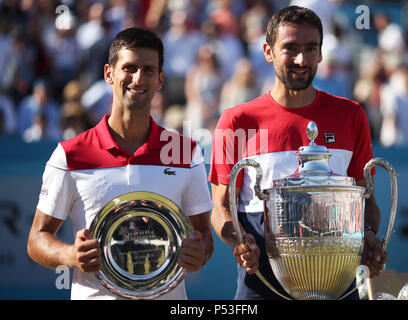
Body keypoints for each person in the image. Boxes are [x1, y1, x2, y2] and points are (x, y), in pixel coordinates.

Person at [208, 5, 387, 300]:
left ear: (320, 52)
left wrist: (368, 235)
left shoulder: (351, 114)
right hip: (261, 285)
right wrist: (239, 241)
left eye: (310, 48)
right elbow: (220, 208)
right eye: (290, 48)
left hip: (338, 285)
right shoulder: (236, 120)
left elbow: (367, 201)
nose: (301, 59)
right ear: (268, 51)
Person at [27, 28, 214, 300]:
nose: (138, 78)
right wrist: (70, 255)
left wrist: (200, 253)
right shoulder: (69, 154)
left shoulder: (186, 152)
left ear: (160, 79)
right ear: (108, 74)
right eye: (129, 68)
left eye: (148, 70)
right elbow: (36, 240)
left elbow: (204, 237)